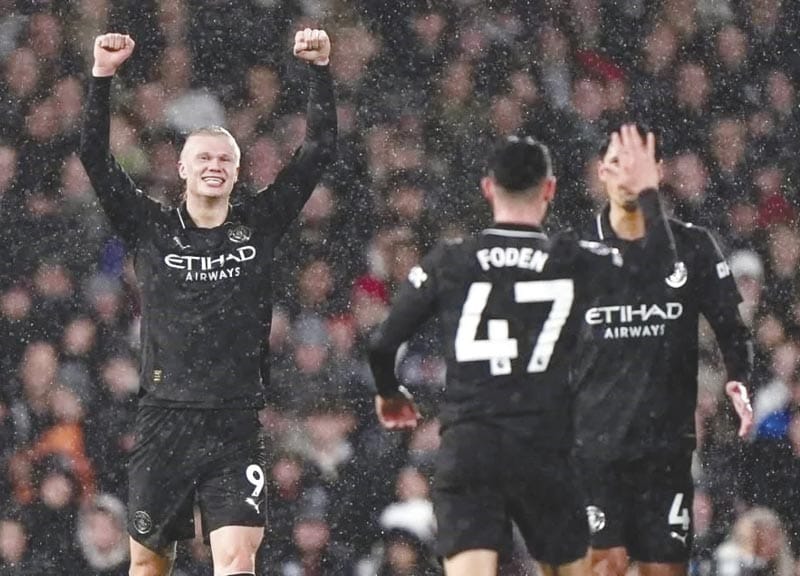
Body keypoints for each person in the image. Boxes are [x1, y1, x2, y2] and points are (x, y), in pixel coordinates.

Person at [78, 30, 336, 576]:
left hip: (234, 423)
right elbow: (94, 157)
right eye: (202, 156)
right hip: (163, 419)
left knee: (237, 560)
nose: (214, 164)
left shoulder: (259, 224)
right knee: (149, 565)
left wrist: (320, 71)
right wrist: (102, 76)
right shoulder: (149, 227)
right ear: (182, 168)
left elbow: (317, 151)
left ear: (238, 171)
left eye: (225, 157)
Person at [368, 126, 664, 576]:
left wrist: (390, 392)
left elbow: (382, 344)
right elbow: (656, 270)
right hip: (545, 445)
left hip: (472, 444)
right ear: (549, 189)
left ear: (488, 188)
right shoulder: (572, 258)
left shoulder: (451, 260)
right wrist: (642, 194)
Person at [572, 127, 754, 576]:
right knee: (604, 566)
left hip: (666, 449)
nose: (628, 175)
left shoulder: (693, 245)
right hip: (596, 448)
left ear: (658, 172)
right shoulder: (574, 250)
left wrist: (738, 376)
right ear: (600, 174)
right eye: (617, 163)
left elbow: (731, 327)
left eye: (638, 164)